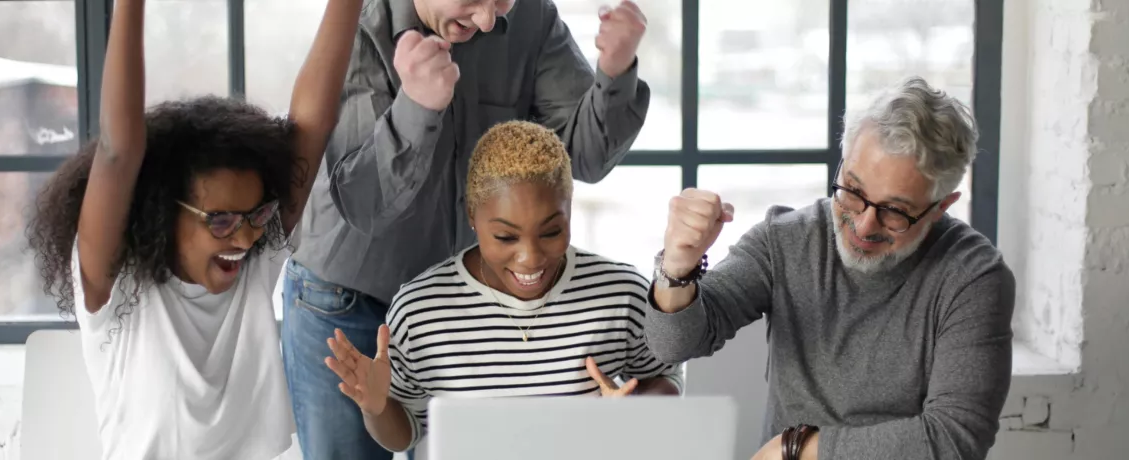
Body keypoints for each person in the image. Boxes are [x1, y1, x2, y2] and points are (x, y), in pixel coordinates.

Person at [281, 0, 652, 457]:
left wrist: (615, 73)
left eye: (500, 2)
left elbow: (583, 157)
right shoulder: (360, 26)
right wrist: (415, 107)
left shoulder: (531, 17)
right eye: (474, 0)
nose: (489, 20)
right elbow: (364, 204)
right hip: (347, 301)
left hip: (452, 308)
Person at [25, 0, 362, 457]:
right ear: (163, 211)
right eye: (220, 220)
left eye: (256, 215)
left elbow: (313, 120)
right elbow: (119, 151)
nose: (244, 239)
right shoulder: (120, 290)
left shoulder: (256, 262)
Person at [643, 76, 1014, 460]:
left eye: (896, 211)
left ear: (941, 206)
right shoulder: (786, 239)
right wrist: (678, 265)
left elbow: (955, 439)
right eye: (852, 191)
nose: (864, 224)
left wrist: (796, 450)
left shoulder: (973, 276)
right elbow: (674, 344)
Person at [321, 120, 683, 458]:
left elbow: (664, 377)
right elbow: (407, 433)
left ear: (569, 211)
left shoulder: (620, 293)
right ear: (472, 216)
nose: (530, 258)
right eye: (506, 237)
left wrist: (636, 412)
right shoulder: (421, 310)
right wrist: (377, 407)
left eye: (552, 231)